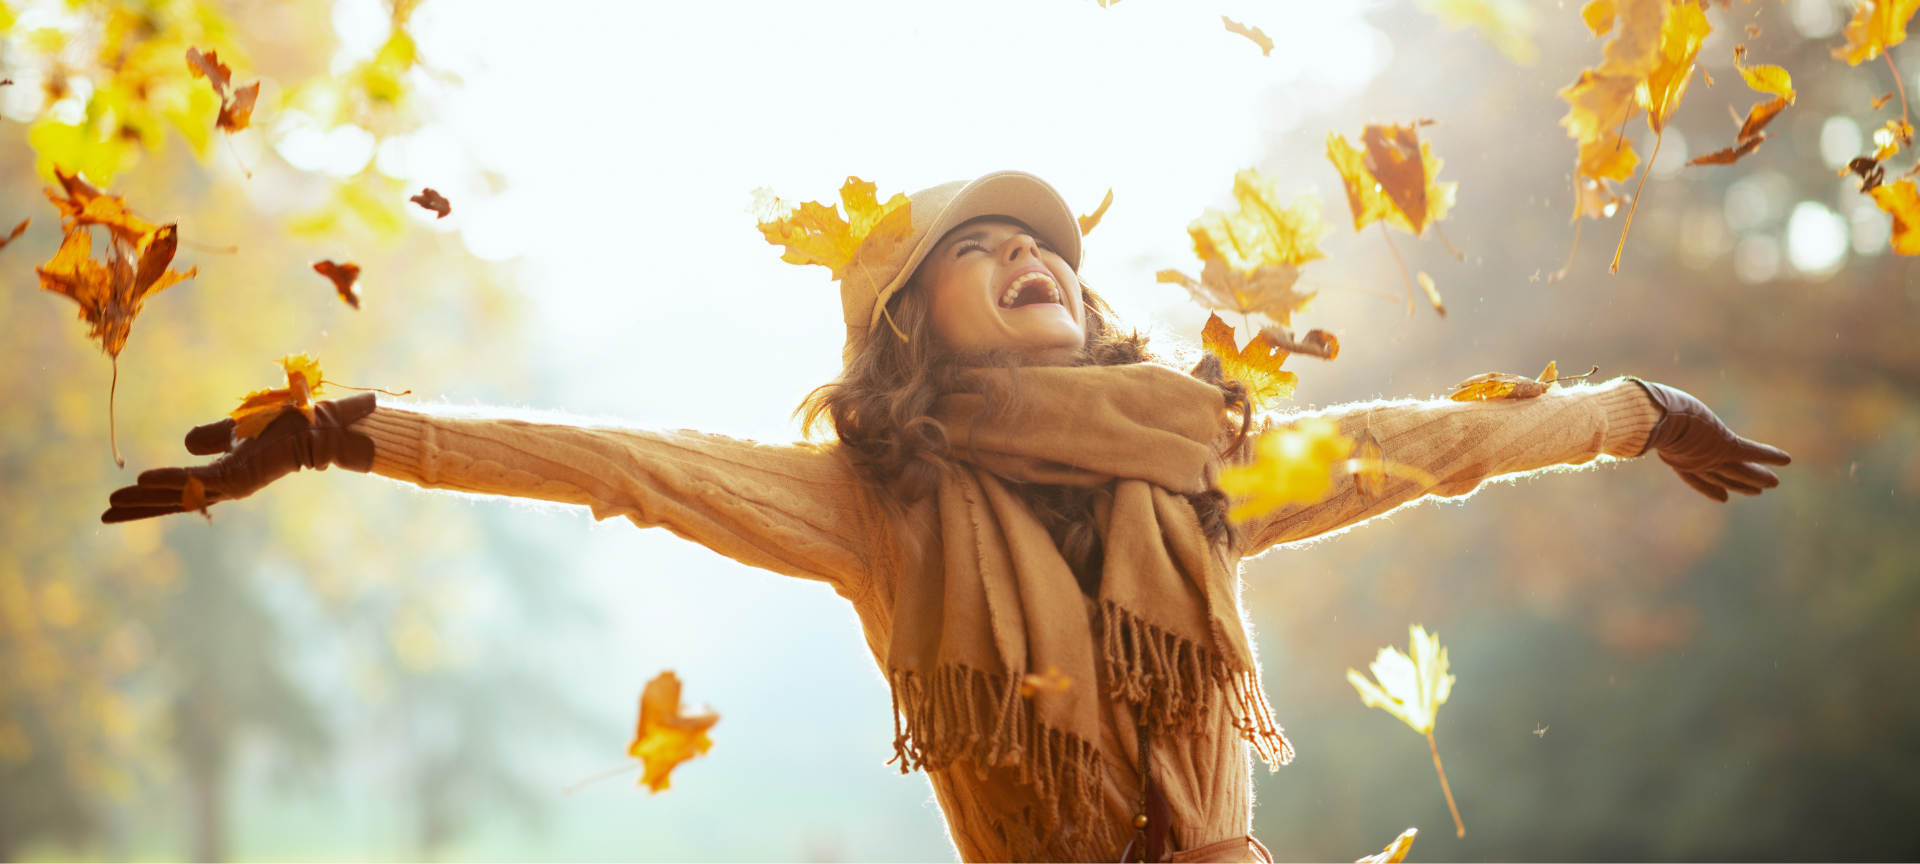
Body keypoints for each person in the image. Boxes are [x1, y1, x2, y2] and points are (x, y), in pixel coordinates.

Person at [102, 171, 1791, 863]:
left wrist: (1635, 413)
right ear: (907, 321)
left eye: (1047, 245)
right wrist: (338, 432)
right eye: (984, 252)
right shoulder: (870, 502)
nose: (1035, 258)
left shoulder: (1194, 458)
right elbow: (611, 460)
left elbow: (1426, 444)